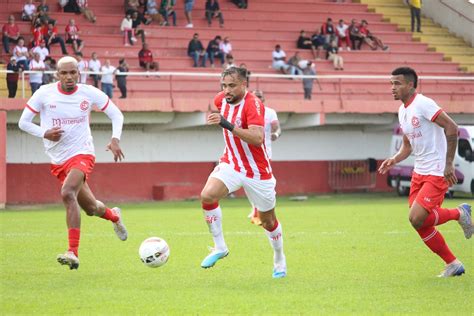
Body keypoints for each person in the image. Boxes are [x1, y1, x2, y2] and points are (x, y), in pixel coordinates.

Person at [18, 56, 127, 270]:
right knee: (91, 208)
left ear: (79, 73)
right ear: (57, 74)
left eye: (73, 72)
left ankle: (72, 252)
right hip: (58, 159)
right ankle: (114, 216)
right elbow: (23, 122)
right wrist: (45, 133)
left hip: (82, 153)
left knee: (67, 192)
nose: (69, 77)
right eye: (64, 73)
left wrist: (115, 139)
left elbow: (116, 114)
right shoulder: (44, 93)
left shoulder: (89, 92)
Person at [379, 67, 472, 277]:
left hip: (437, 171)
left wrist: (449, 164)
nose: (392, 88)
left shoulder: (424, 104)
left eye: (397, 83)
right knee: (419, 223)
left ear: (411, 85)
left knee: (417, 218)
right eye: (391, 83)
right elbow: (407, 145)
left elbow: (452, 127)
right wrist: (394, 159)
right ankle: (453, 263)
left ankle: (459, 213)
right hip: (419, 172)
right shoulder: (403, 111)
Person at [199, 67, 287, 279]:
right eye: (223, 86)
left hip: (257, 171)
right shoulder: (220, 100)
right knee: (207, 196)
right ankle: (220, 247)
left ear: (243, 85)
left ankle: (279, 259)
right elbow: (221, 116)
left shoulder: (253, 104)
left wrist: (226, 124)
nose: (226, 90)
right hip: (231, 163)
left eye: (231, 86)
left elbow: (257, 138)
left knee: (267, 221)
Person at [247, 89, 281, 226]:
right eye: (255, 96)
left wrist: (276, 135)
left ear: (264, 99)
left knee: (262, 183)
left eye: (260, 96)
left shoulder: (270, 112)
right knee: (249, 184)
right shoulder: (246, 111)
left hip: (265, 154)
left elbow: (277, 128)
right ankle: (256, 209)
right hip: (247, 154)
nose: (258, 98)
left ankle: (260, 212)